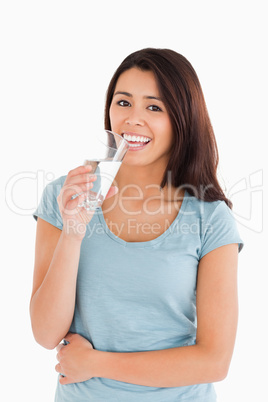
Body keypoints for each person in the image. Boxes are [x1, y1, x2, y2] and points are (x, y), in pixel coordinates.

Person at [30, 48, 244, 401]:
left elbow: (214, 361)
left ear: (182, 118)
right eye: (124, 102)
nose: (133, 120)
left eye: (154, 107)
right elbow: (45, 333)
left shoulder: (210, 217)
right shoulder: (65, 196)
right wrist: (72, 232)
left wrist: (96, 363)